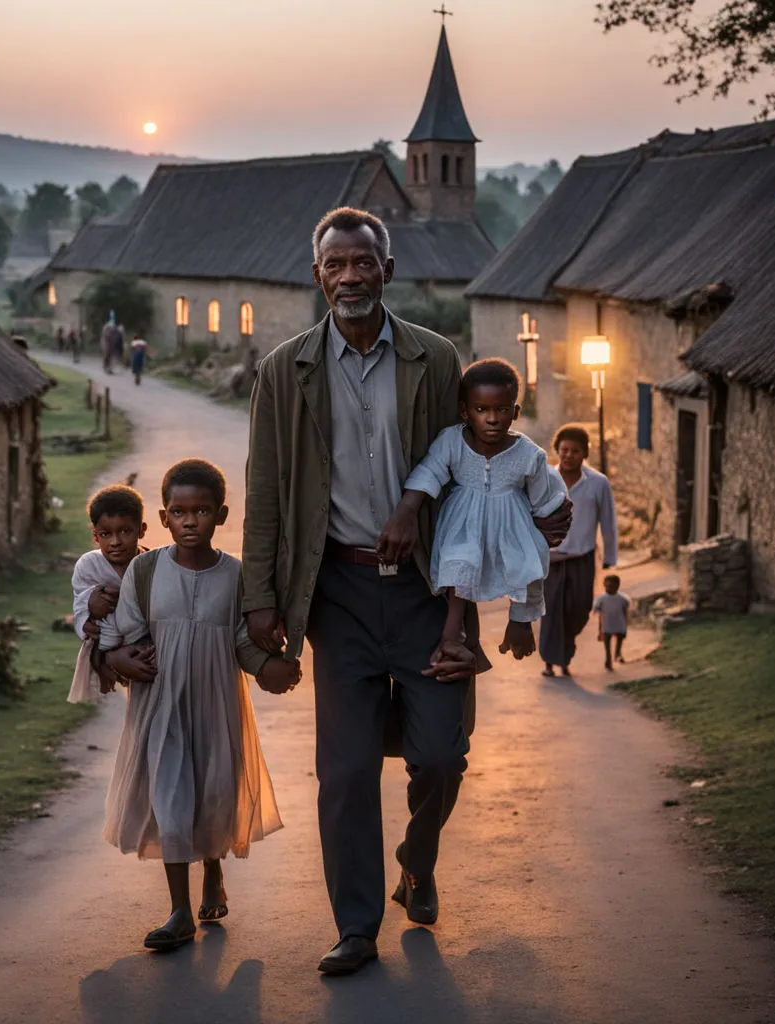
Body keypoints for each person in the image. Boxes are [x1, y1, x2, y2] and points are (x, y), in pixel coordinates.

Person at [242, 207, 572, 976]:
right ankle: (356, 925)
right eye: (336, 265)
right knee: (347, 769)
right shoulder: (283, 371)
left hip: (430, 593)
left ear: (387, 269)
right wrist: (262, 597)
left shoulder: (434, 358)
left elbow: (476, 460)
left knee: (441, 754)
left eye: (364, 262)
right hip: (339, 594)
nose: (351, 276)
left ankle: (416, 860)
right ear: (317, 274)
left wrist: (532, 516)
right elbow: (263, 494)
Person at [101, 459, 299, 951]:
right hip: (161, 703)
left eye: (202, 510)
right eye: (179, 512)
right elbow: (127, 629)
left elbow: (243, 638)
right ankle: (179, 911)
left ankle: (213, 870)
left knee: (213, 794)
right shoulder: (145, 571)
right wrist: (119, 658)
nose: (191, 521)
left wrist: (271, 667)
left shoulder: (236, 576)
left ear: (222, 515)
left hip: (216, 704)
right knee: (170, 800)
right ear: (164, 518)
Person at [388, 358, 567, 653]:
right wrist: (407, 507)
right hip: (465, 524)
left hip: (512, 525)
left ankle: (520, 623)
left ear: (515, 412)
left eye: (502, 409)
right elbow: (430, 471)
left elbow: (542, 497)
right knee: (460, 563)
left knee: (527, 564)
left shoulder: (529, 454)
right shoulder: (452, 442)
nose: (492, 418)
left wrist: (551, 525)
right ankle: (451, 635)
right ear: (465, 412)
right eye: (481, 409)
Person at [540, 424, 618, 677]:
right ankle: (553, 662)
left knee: (579, 610)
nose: (568, 455)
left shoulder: (598, 483)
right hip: (550, 560)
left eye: (575, 451)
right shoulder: (544, 480)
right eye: (564, 450)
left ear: (585, 453)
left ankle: (564, 649)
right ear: (557, 451)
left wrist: (609, 557)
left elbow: (608, 522)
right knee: (551, 611)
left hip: (582, 558)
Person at [67, 485, 149, 702]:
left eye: (125, 531)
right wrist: (89, 603)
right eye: (106, 534)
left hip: (145, 644)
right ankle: (104, 665)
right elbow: (80, 599)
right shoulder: (89, 565)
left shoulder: (150, 564)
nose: (115, 542)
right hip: (106, 641)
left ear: (141, 530)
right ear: (95, 536)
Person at [594, 574, 630, 670]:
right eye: (607, 585)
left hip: (619, 623)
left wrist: (625, 626)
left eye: (611, 586)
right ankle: (608, 660)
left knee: (619, 640)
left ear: (618, 585)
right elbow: (600, 615)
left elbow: (625, 613)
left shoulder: (623, 599)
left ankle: (617, 654)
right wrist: (599, 630)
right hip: (607, 625)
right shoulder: (601, 599)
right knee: (607, 644)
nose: (609, 588)